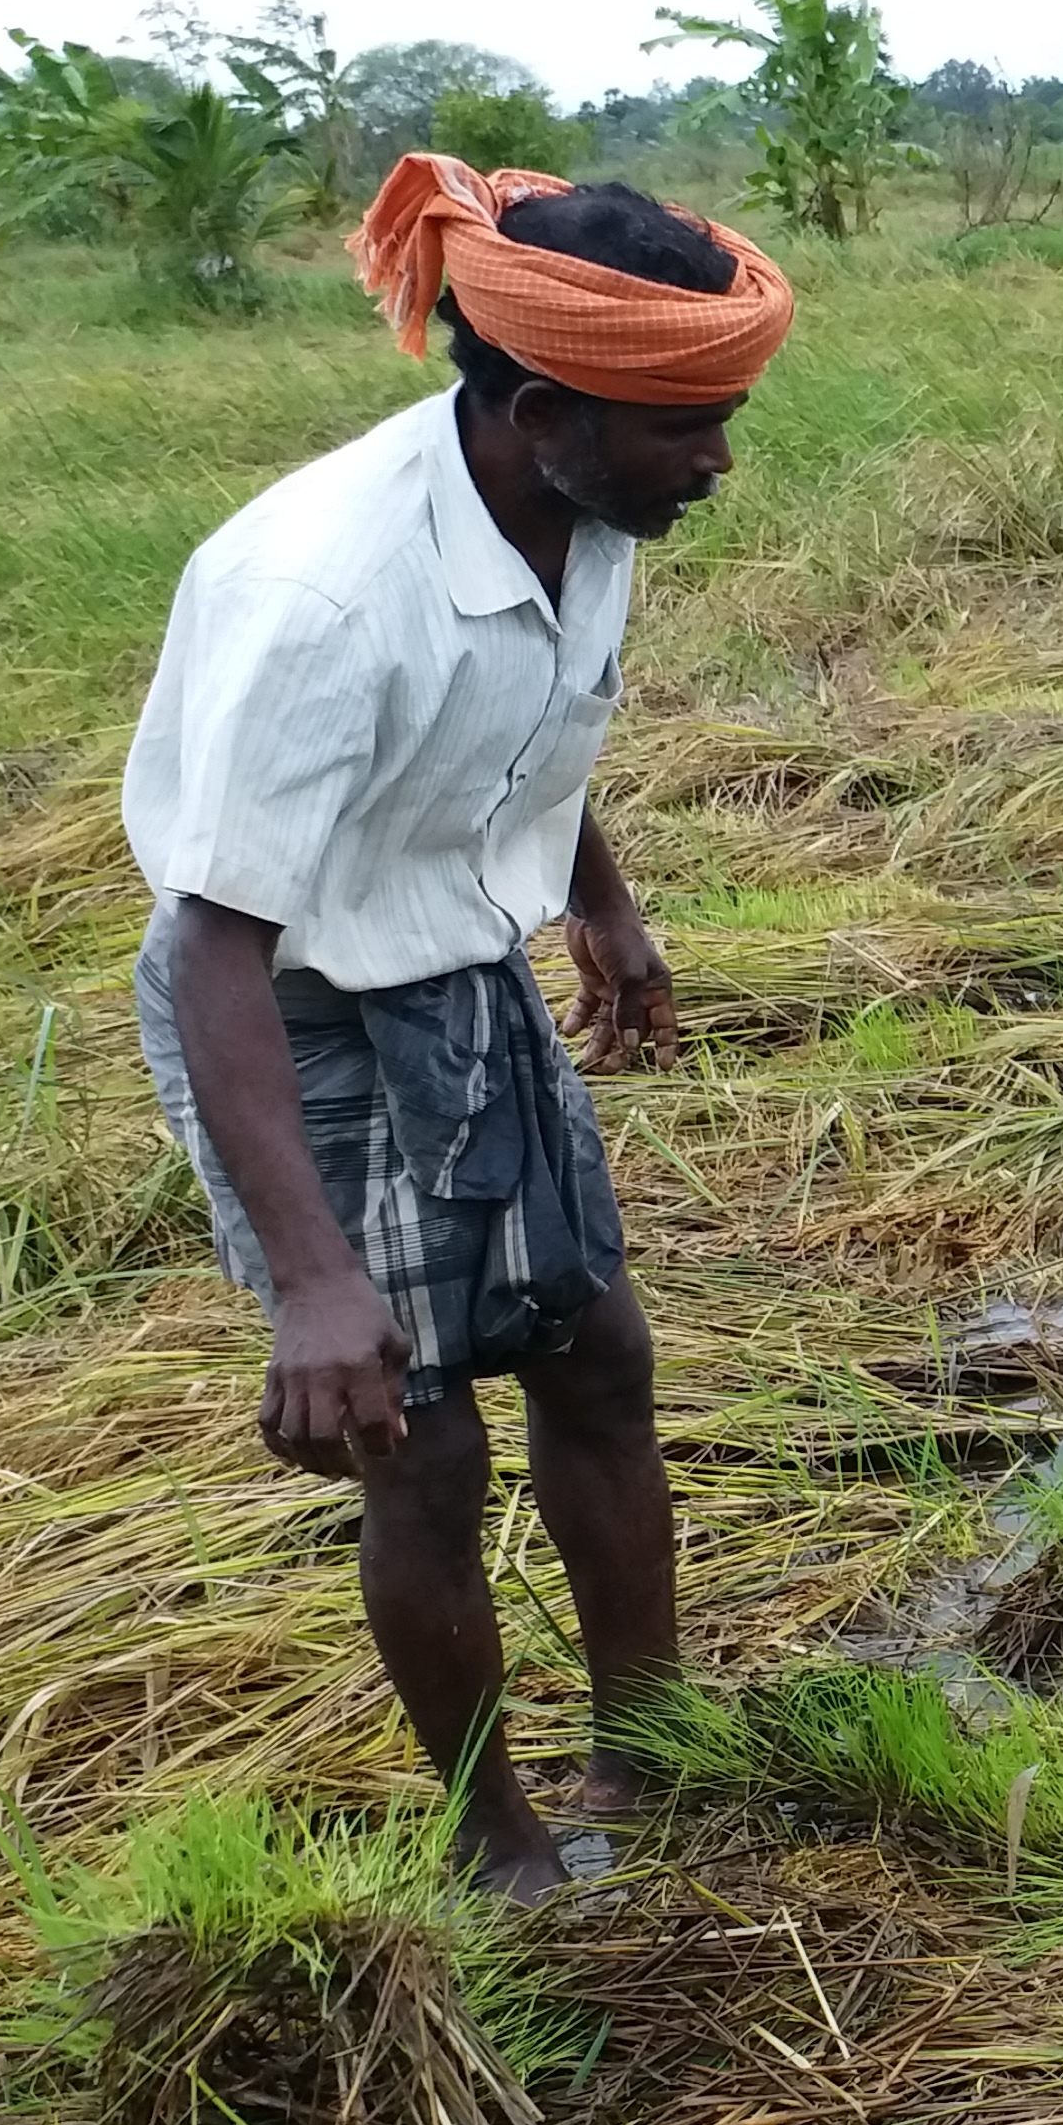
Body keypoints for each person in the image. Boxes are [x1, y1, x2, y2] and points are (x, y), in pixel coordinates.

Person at [123, 153, 792, 1893]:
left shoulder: (586, 507)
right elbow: (213, 946)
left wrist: (603, 901)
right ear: (540, 405)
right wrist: (315, 1277)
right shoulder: (324, 599)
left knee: (600, 1356)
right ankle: (496, 1850)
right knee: (414, 1447)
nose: (717, 459)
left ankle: (652, 1761)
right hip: (298, 1009)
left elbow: (530, 729)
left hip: (458, 956)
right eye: (686, 427)